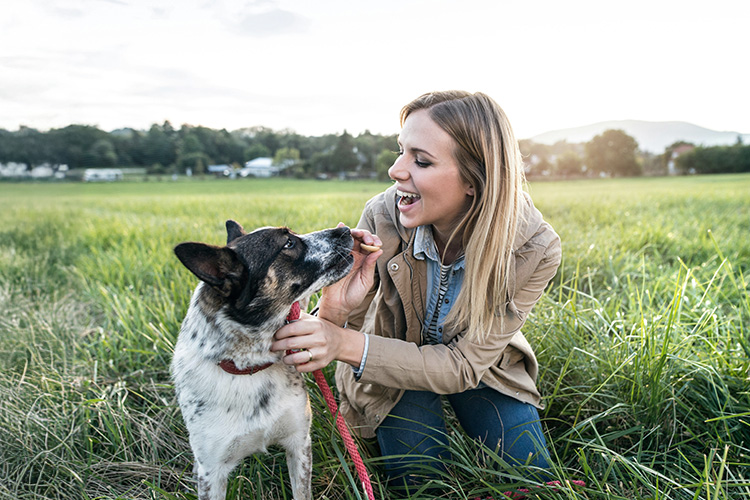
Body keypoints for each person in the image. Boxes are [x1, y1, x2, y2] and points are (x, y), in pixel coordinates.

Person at [271, 90, 561, 489]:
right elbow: (335, 336)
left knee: (530, 477)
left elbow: (463, 365)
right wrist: (335, 310)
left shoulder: (534, 247)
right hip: (387, 365)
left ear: (475, 182)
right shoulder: (382, 214)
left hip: (483, 368)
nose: (395, 170)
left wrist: (340, 342)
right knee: (423, 483)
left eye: (421, 160)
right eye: (400, 151)